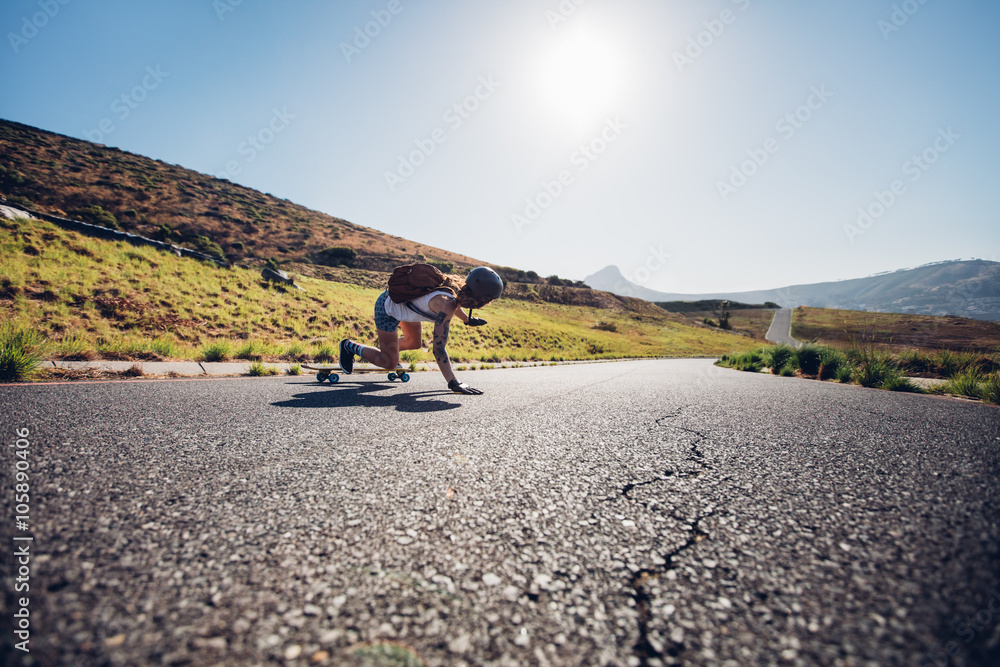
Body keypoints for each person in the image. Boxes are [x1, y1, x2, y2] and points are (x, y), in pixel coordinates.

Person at [339, 266, 504, 394]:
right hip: (387, 308)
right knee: (388, 363)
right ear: (481, 299)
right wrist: (454, 382)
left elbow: (456, 303)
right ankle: (349, 346)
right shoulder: (446, 304)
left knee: (414, 343)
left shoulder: (456, 290)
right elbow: (438, 349)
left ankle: (387, 349)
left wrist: (467, 320)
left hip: (406, 306)